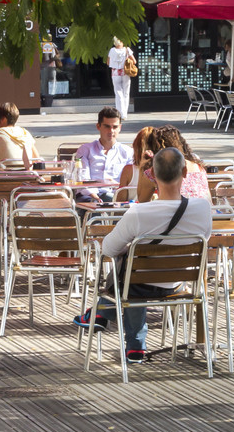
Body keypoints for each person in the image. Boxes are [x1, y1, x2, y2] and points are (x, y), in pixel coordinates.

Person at [74, 147, 212, 364]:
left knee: (127, 272)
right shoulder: (203, 208)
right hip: (179, 283)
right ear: (185, 172)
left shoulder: (139, 212)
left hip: (138, 284)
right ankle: (115, 327)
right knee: (131, 275)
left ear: (153, 175)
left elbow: (108, 250)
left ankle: (107, 317)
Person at [73, 107, 133, 203]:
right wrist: (96, 198)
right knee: (94, 209)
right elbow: (82, 178)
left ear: (120, 128)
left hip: (117, 196)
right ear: (98, 126)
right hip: (90, 196)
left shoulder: (128, 152)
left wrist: (116, 187)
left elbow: (130, 183)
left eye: (115, 127)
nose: (111, 131)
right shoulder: (85, 150)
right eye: (107, 126)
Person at [135, 126, 211, 202]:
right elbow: (209, 199)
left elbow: (142, 200)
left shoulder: (159, 169)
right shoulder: (199, 167)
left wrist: (142, 167)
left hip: (173, 211)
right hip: (205, 212)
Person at [0, 101, 38, 166]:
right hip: (28, 174)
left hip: (6, 175)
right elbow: (37, 160)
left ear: (3, 119)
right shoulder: (25, 133)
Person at [108, 37, 136, 118]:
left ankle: (119, 112)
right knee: (126, 93)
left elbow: (108, 62)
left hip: (115, 73)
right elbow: (134, 61)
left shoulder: (112, 50)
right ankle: (124, 114)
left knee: (118, 93)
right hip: (125, 73)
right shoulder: (127, 49)